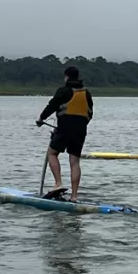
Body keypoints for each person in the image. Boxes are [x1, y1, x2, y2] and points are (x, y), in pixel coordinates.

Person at [36, 66, 93, 201]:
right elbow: (90, 113)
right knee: (74, 161)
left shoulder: (64, 91)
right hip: (80, 130)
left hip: (64, 128)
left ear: (66, 76)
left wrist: (41, 119)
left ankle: (58, 184)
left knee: (52, 153)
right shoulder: (87, 93)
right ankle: (74, 196)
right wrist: (81, 125)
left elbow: (52, 105)